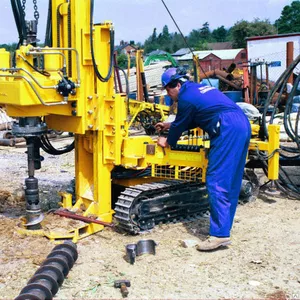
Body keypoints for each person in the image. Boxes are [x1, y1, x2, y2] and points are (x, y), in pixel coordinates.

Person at [155, 67, 251, 251]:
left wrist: (167, 141)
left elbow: (182, 123)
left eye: (168, 90)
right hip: (240, 123)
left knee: (216, 179)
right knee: (230, 180)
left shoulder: (186, 98)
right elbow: (195, 117)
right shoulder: (196, 89)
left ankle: (219, 235)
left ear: (176, 85)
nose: (169, 94)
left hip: (226, 128)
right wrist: (169, 124)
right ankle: (223, 229)